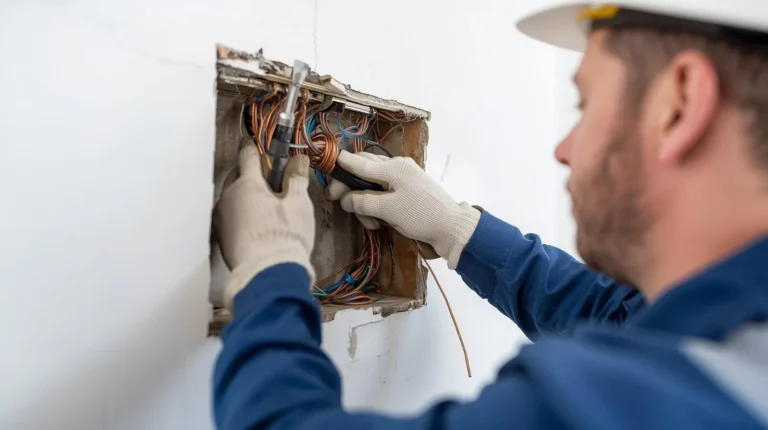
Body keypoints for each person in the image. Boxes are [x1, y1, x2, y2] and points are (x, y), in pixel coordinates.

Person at [212, 1, 768, 429]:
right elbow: (618, 314)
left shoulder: (624, 407)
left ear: (680, 103)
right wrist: (458, 231)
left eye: (587, 105)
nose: (564, 148)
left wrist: (269, 275)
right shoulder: (733, 339)